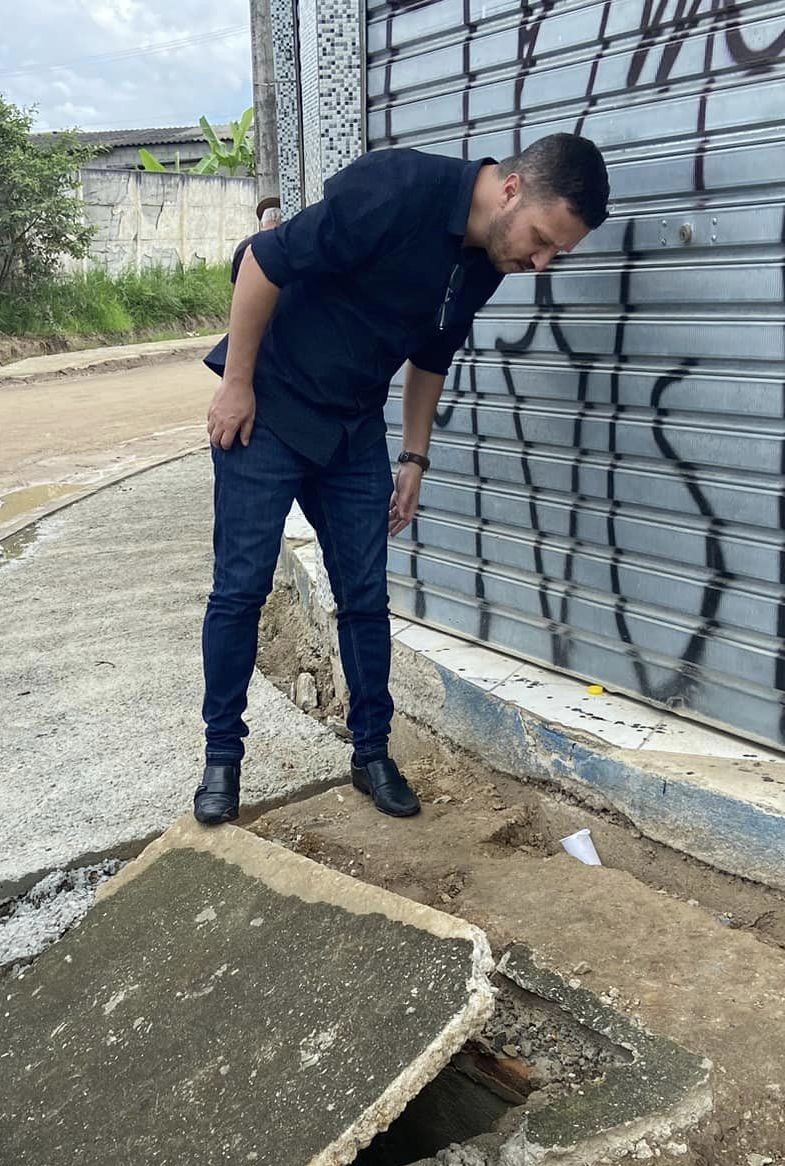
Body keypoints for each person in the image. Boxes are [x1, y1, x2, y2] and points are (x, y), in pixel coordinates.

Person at [194, 134, 610, 825]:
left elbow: (432, 353)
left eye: (554, 255)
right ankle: (222, 760)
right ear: (511, 190)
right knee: (239, 589)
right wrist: (236, 384)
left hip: (353, 429)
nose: (539, 262)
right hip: (268, 405)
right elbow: (263, 262)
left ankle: (372, 753)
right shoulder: (395, 188)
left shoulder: (488, 258)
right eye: (541, 240)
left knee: (365, 597)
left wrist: (413, 458)